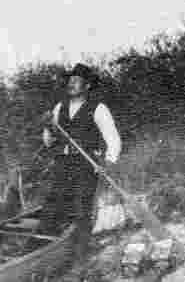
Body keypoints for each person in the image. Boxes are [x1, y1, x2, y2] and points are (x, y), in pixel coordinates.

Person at [37, 63, 121, 280]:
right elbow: (48, 142)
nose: (71, 84)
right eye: (70, 80)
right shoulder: (59, 107)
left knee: (82, 211)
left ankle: (80, 261)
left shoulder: (98, 108)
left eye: (76, 81)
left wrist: (107, 163)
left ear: (87, 85)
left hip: (86, 165)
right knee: (52, 207)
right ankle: (39, 256)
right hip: (63, 163)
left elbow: (113, 140)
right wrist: (48, 127)